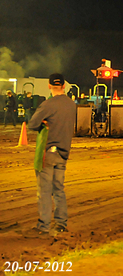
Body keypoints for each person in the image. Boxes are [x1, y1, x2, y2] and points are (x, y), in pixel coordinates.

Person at [24, 74, 76, 238]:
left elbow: (32, 124)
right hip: (63, 152)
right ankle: (61, 224)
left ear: (49, 86)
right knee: (58, 189)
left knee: (44, 191)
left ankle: (43, 226)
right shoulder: (71, 105)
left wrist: (44, 122)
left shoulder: (47, 105)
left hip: (49, 152)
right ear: (64, 86)